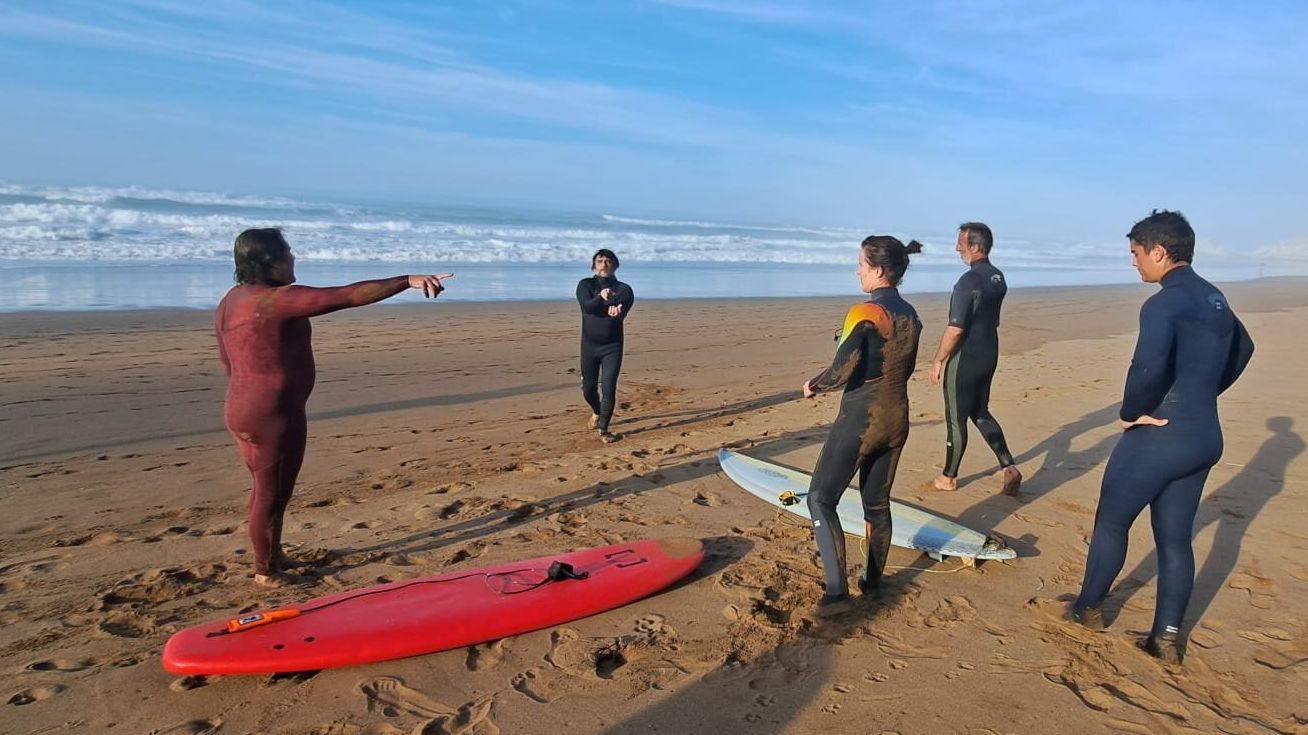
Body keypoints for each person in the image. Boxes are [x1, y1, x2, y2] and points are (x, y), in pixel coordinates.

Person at [215, 228, 451, 587]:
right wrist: (407, 280)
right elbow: (345, 296)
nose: (293, 258)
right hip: (273, 413)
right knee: (271, 493)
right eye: (287, 252)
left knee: (264, 488)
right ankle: (267, 573)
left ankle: (273, 555)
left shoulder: (232, 300)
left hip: (241, 406)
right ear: (269, 261)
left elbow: (226, 358)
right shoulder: (273, 300)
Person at [1068, 210, 1254, 664]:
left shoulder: (1162, 303)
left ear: (1159, 252)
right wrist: (1201, 394)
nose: (1134, 263)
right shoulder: (1214, 297)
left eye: (1136, 254)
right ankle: (1165, 638)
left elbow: (1146, 367)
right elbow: (1245, 348)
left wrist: (1134, 412)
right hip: (1204, 434)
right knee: (1174, 540)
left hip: (1162, 436)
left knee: (1112, 520)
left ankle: (1087, 609)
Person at [802, 235, 924, 613]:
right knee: (876, 503)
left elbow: (842, 370)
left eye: (861, 264)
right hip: (897, 417)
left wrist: (813, 385)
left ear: (879, 270)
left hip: (862, 418)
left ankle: (837, 594)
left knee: (820, 498)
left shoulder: (865, 312)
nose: (857, 271)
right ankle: (872, 582)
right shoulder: (912, 315)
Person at [928, 222, 1022, 494]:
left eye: (961, 242)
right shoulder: (997, 277)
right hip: (989, 352)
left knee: (956, 418)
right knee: (980, 412)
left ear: (975, 246)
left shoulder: (967, 281)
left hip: (965, 357)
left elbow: (956, 329)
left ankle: (949, 477)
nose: (957, 247)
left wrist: (938, 361)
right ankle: (1008, 466)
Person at [576, 249, 634, 443]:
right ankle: (596, 411)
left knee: (608, 388)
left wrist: (619, 310)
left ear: (615, 265)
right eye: (600, 261)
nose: (604, 264)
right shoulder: (585, 285)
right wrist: (601, 297)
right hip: (589, 347)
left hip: (612, 347)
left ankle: (604, 430)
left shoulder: (624, 289)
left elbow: (621, 306)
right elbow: (588, 307)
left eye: (609, 261)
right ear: (594, 265)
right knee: (588, 389)